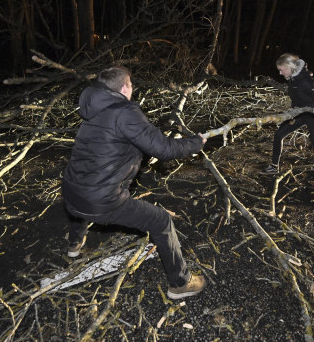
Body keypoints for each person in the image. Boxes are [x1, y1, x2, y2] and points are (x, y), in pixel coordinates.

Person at [62, 66, 207, 299]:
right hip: (100, 201)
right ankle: (180, 283)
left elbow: (118, 144)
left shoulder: (92, 110)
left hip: (70, 192)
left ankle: (74, 245)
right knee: (161, 221)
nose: (132, 88)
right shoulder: (125, 111)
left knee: (86, 186)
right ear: (125, 86)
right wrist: (195, 143)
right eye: (131, 84)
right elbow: (164, 149)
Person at [262, 53, 314, 175]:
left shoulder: (304, 80)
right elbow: (298, 97)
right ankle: (274, 167)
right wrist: (295, 110)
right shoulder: (292, 78)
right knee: (278, 135)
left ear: (289, 67)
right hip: (299, 114)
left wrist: (308, 109)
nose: (280, 73)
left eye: (281, 70)